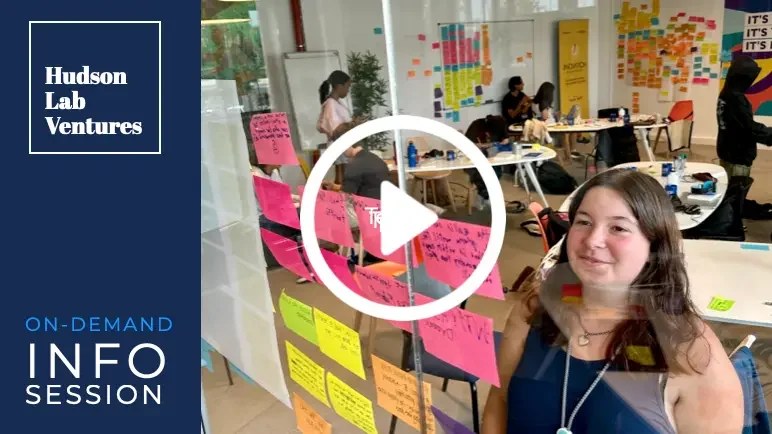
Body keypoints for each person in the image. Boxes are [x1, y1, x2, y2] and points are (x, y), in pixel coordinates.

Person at [482, 169, 743, 433]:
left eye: (618, 228)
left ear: (654, 245)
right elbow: (498, 403)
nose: (593, 240)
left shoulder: (692, 350)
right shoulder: (534, 309)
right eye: (583, 222)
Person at [321, 125, 391, 228]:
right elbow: (365, 188)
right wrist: (334, 186)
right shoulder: (375, 159)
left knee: (323, 211)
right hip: (384, 210)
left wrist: (321, 197)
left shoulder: (354, 166)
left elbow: (342, 198)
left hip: (367, 214)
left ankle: (343, 242)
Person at [717, 55, 772, 179]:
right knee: (735, 193)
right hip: (737, 155)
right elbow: (749, 129)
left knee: (729, 190)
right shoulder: (736, 99)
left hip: (727, 150)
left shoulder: (726, 93)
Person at [317, 70, 366, 184]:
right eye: (347, 86)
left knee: (342, 175)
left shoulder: (337, 103)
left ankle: (341, 199)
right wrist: (353, 124)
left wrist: (353, 122)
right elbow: (335, 129)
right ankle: (340, 200)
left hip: (342, 144)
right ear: (339, 86)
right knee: (342, 177)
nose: (348, 90)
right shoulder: (330, 104)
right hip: (339, 144)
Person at [464, 115, 511, 209]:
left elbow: (506, 140)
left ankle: (482, 195)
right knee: (482, 172)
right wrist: (483, 146)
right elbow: (466, 144)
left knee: (496, 170)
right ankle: (485, 196)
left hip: (491, 157)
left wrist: (494, 144)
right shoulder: (476, 125)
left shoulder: (500, 123)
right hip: (472, 157)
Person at [533, 82, 580, 161]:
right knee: (567, 132)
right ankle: (569, 156)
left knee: (571, 129)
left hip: (547, 126)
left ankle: (571, 153)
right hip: (549, 128)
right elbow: (544, 117)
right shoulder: (543, 103)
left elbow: (542, 115)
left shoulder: (536, 102)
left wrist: (555, 114)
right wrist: (557, 119)